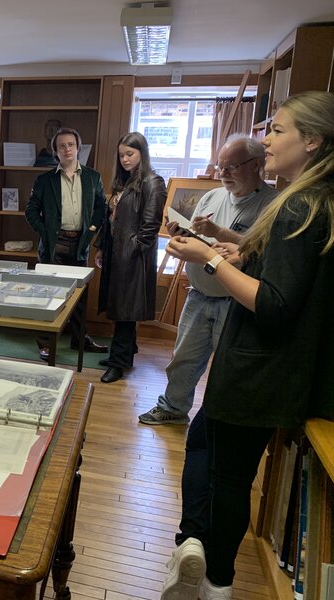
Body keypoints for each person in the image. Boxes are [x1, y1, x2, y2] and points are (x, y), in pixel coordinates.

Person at [161, 91, 334, 600]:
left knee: (227, 475)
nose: (267, 139)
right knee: (207, 447)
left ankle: (215, 576)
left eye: (277, 130)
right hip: (280, 368)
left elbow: (277, 302)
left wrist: (209, 260)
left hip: (259, 367)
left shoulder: (298, 205)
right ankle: (193, 545)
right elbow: (290, 277)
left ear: (313, 140)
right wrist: (235, 248)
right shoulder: (315, 200)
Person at [138, 135, 278, 425]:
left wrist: (220, 232)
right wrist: (181, 233)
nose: (222, 173)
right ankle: (173, 408)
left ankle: (223, 419)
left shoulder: (274, 205)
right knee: (183, 359)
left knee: (230, 367)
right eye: (219, 166)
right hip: (199, 293)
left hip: (236, 301)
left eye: (231, 167)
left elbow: (266, 251)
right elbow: (197, 239)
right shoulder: (212, 196)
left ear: (256, 166)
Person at [25, 126, 108, 361]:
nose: (67, 149)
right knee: (47, 294)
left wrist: (91, 230)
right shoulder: (44, 180)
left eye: (71, 144)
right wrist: (45, 232)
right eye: (61, 146)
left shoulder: (93, 177)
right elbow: (30, 210)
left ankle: (79, 338)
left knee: (79, 297)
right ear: (56, 151)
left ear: (78, 148)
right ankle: (45, 343)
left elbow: (102, 206)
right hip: (54, 244)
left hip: (80, 243)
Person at [95, 131, 166, 383]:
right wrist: (103, 247)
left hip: (133, 258)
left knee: (125, 311)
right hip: (116, 253)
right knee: (119, 308)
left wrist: (131, 251)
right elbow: (111, 220)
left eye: (130, 154)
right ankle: (124, 354)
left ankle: (118, 362)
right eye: (121, 155)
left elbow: (150, 228)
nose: (125, 159)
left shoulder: (152, 182)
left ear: (141, 153)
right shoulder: (124, 183)